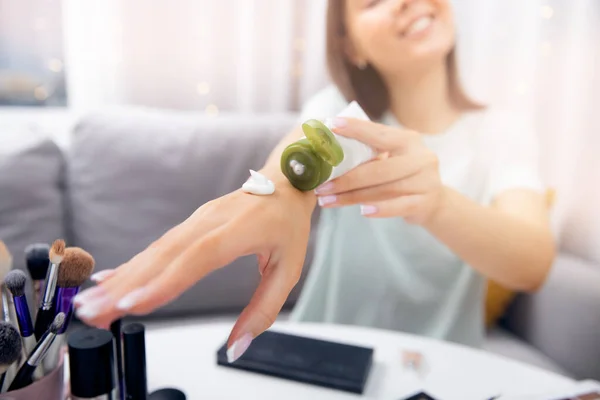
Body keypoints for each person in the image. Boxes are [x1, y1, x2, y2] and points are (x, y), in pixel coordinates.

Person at [74, 0, 555, 362]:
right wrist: (276, 192)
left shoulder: (502, 131)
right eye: (372, 1)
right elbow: (286, 170)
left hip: (442, 365)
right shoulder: (340, 115)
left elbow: (531, 262)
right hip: (327, 354)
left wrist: (435, 203)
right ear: (350, 45)